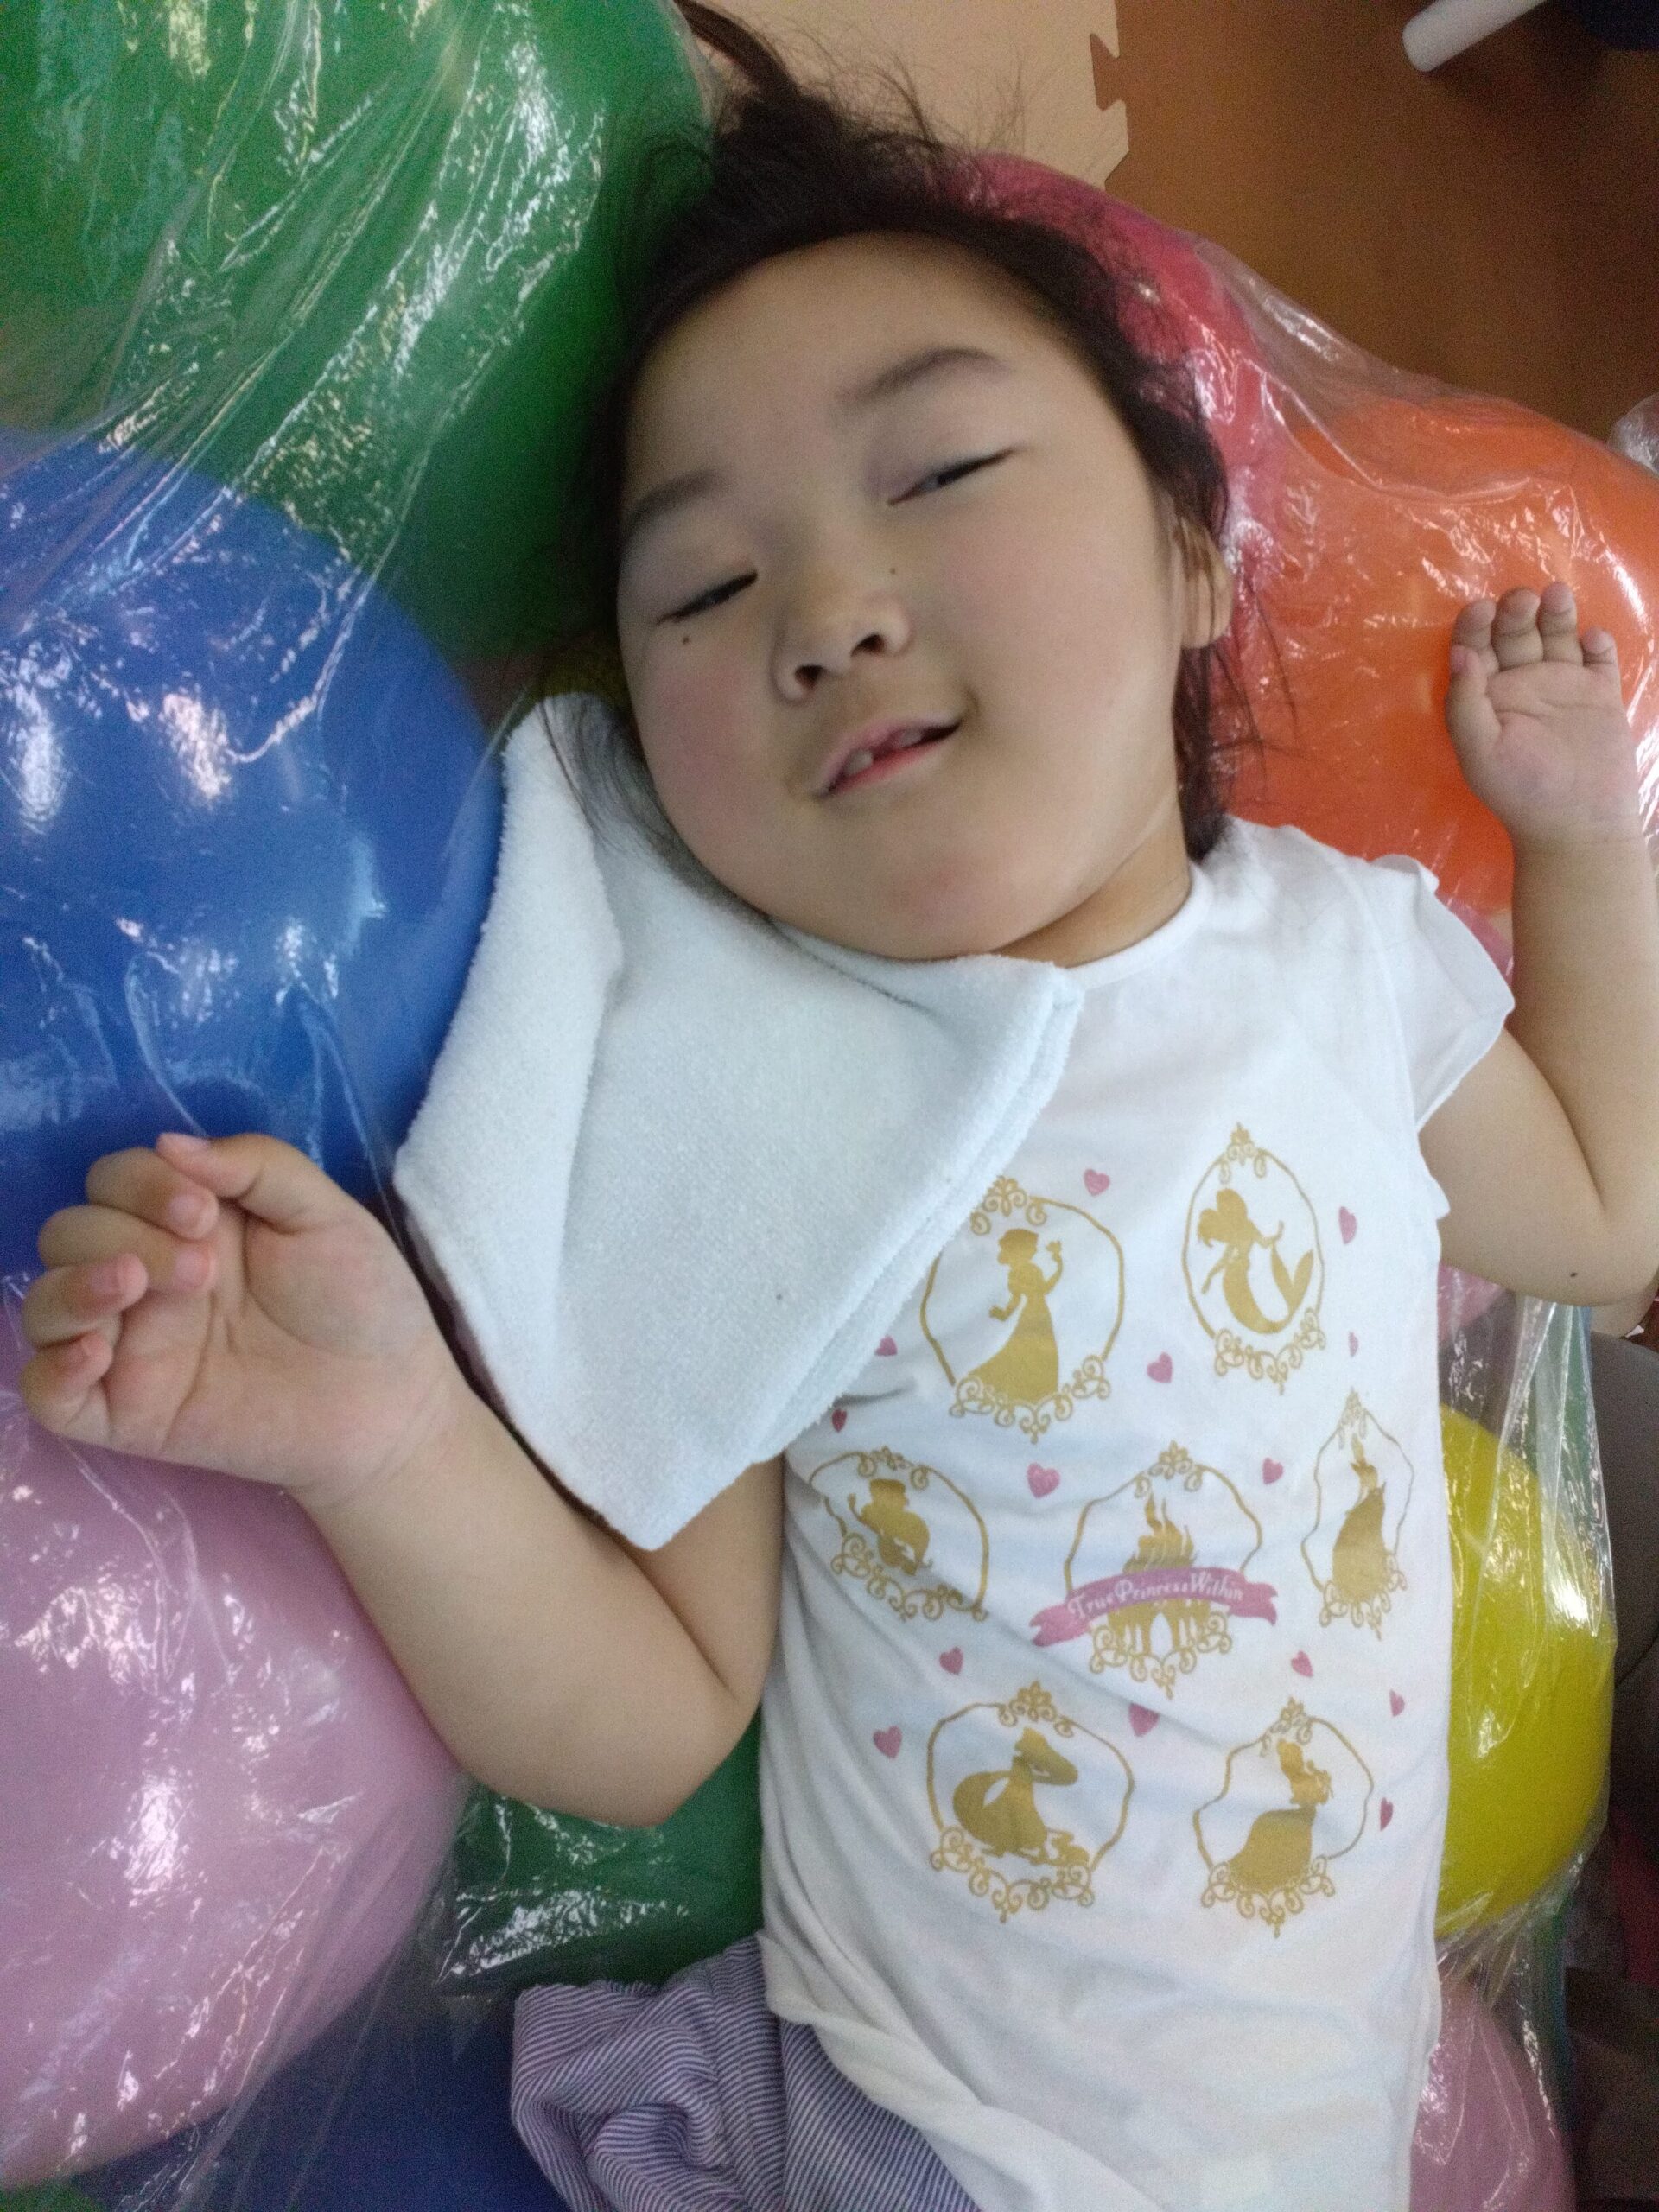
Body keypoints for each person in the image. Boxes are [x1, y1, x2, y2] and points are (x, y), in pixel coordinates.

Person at [17, 9, 1659, 2209]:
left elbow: (1612, 1209)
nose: (825, 612)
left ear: (1193, 553)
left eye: (942, 471)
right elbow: (645, 1716)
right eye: (703, 587)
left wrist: (1586, 840)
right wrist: (384, 1434)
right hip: (927, 2147)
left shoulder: (1344, 958)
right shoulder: (748, 1087)